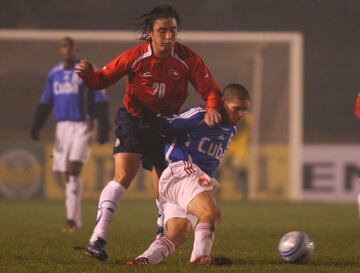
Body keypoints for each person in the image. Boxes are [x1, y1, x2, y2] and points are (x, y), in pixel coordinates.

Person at [75, 4, 222, 260]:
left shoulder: (188, 59)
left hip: (165, 127)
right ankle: (97, 238)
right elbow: (102, 79)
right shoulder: (135, 56)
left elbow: (209, 88)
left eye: (173, 30)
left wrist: (211, 107)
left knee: (163, 187)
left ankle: (158, 235)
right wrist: (89, 77)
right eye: (162, 30)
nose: (168, 36)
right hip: (133, 120)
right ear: (150, 33)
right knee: (124, 174)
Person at [125, 83, 250, 265]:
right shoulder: (200, 115)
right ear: (223, 103)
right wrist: (146, 139)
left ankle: (143, 260)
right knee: (210, 213)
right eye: (236, 108)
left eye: (244, 110)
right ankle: (200, 258)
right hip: (183, 171)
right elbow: (167, 125)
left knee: (179, 233)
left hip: (195, 182)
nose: (240, 114)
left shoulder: (232, 128)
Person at [30, 37, 110, 233]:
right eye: (64, 46)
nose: (68, 49)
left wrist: (104, 127)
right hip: (62, 128)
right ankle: (74, 219)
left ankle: (72, 221)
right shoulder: (54, 74)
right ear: (60, 50)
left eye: (71, 46)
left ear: (76, 49)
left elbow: (101, 99)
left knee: (73, 169)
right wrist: (36, 126)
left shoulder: (85, 69)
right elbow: (46, 102)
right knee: (67, 173)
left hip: (84, 125)